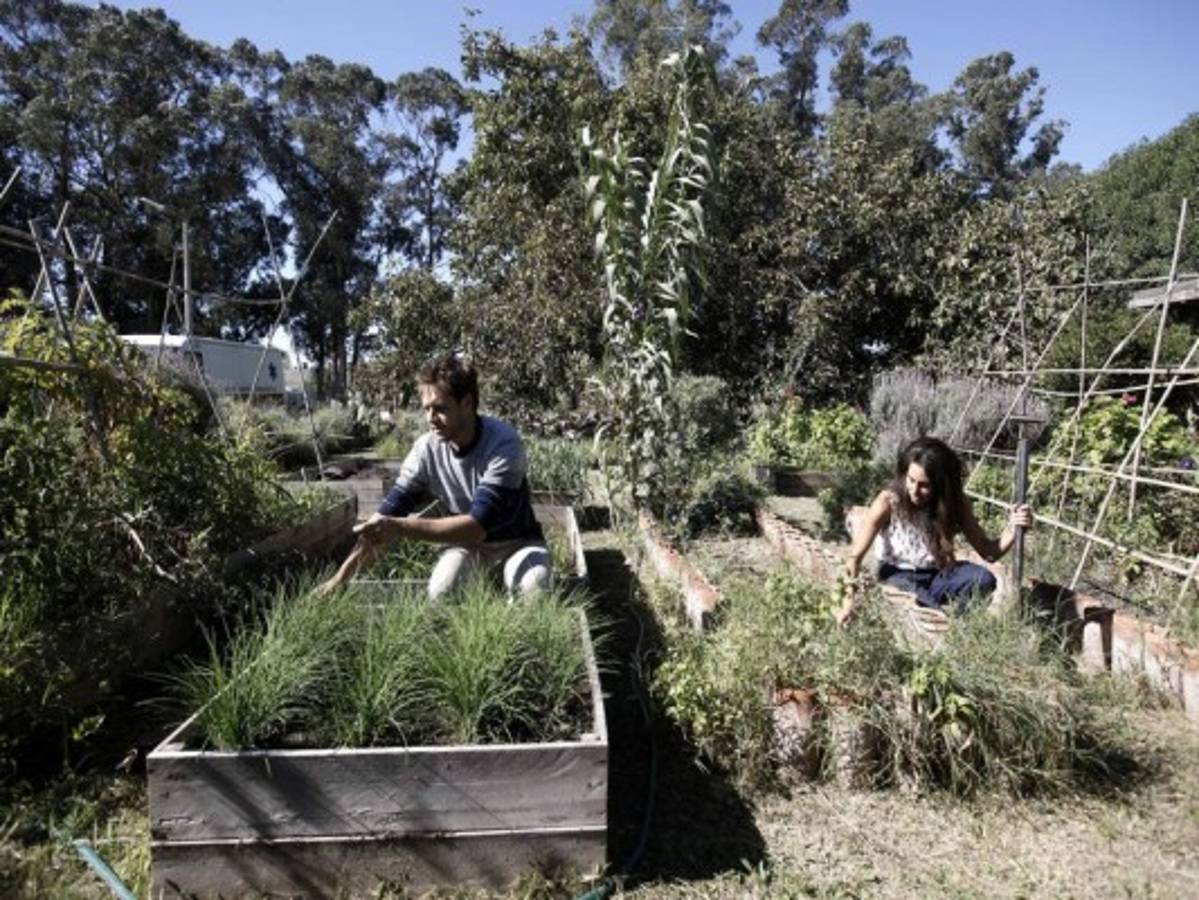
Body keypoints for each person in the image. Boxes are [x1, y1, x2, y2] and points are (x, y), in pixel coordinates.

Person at [318, 352, 551, 599]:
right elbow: (383, 521)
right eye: (426, 409)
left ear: (468, 403)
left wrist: (399, 527)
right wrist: (338, 580)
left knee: (535, 588)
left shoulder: (502, 443)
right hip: (467, 547)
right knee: (442, 591)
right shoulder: (426, 450)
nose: (430, 419)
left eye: (440, 409)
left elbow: (476, 527)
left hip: (517, 544)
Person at [838, 436, 1033, 625]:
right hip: (897, 575)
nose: (914, 490)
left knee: (982, 579)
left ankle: (957, 626)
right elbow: (854, 557)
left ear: (940, 485)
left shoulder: (955, 504)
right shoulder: (888, 501)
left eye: (924, 485)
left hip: (937, 575)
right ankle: (942, 623)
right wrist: (848, 602)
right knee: (929, 611)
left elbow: (989, 552)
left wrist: (1014, 527)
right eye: (911, 480)